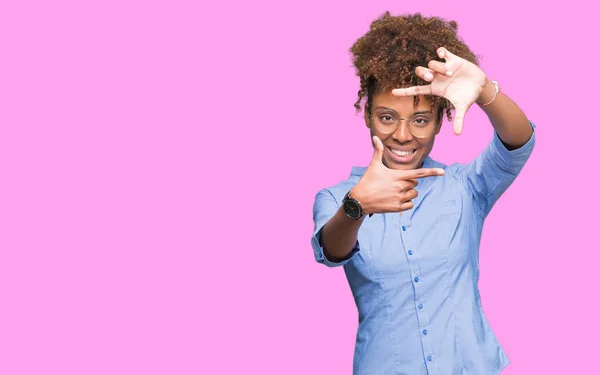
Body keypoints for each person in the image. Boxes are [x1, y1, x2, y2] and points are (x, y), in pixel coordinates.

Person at [310, 11, 535, 375]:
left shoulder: (465, 186)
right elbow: (331, 251)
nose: (402, 135)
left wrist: (484, 92)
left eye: (419, 120)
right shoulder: (338, 199)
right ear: (367, 114)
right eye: (387, 117)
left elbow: (519, 142)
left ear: (438, 120)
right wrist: (358, 207)